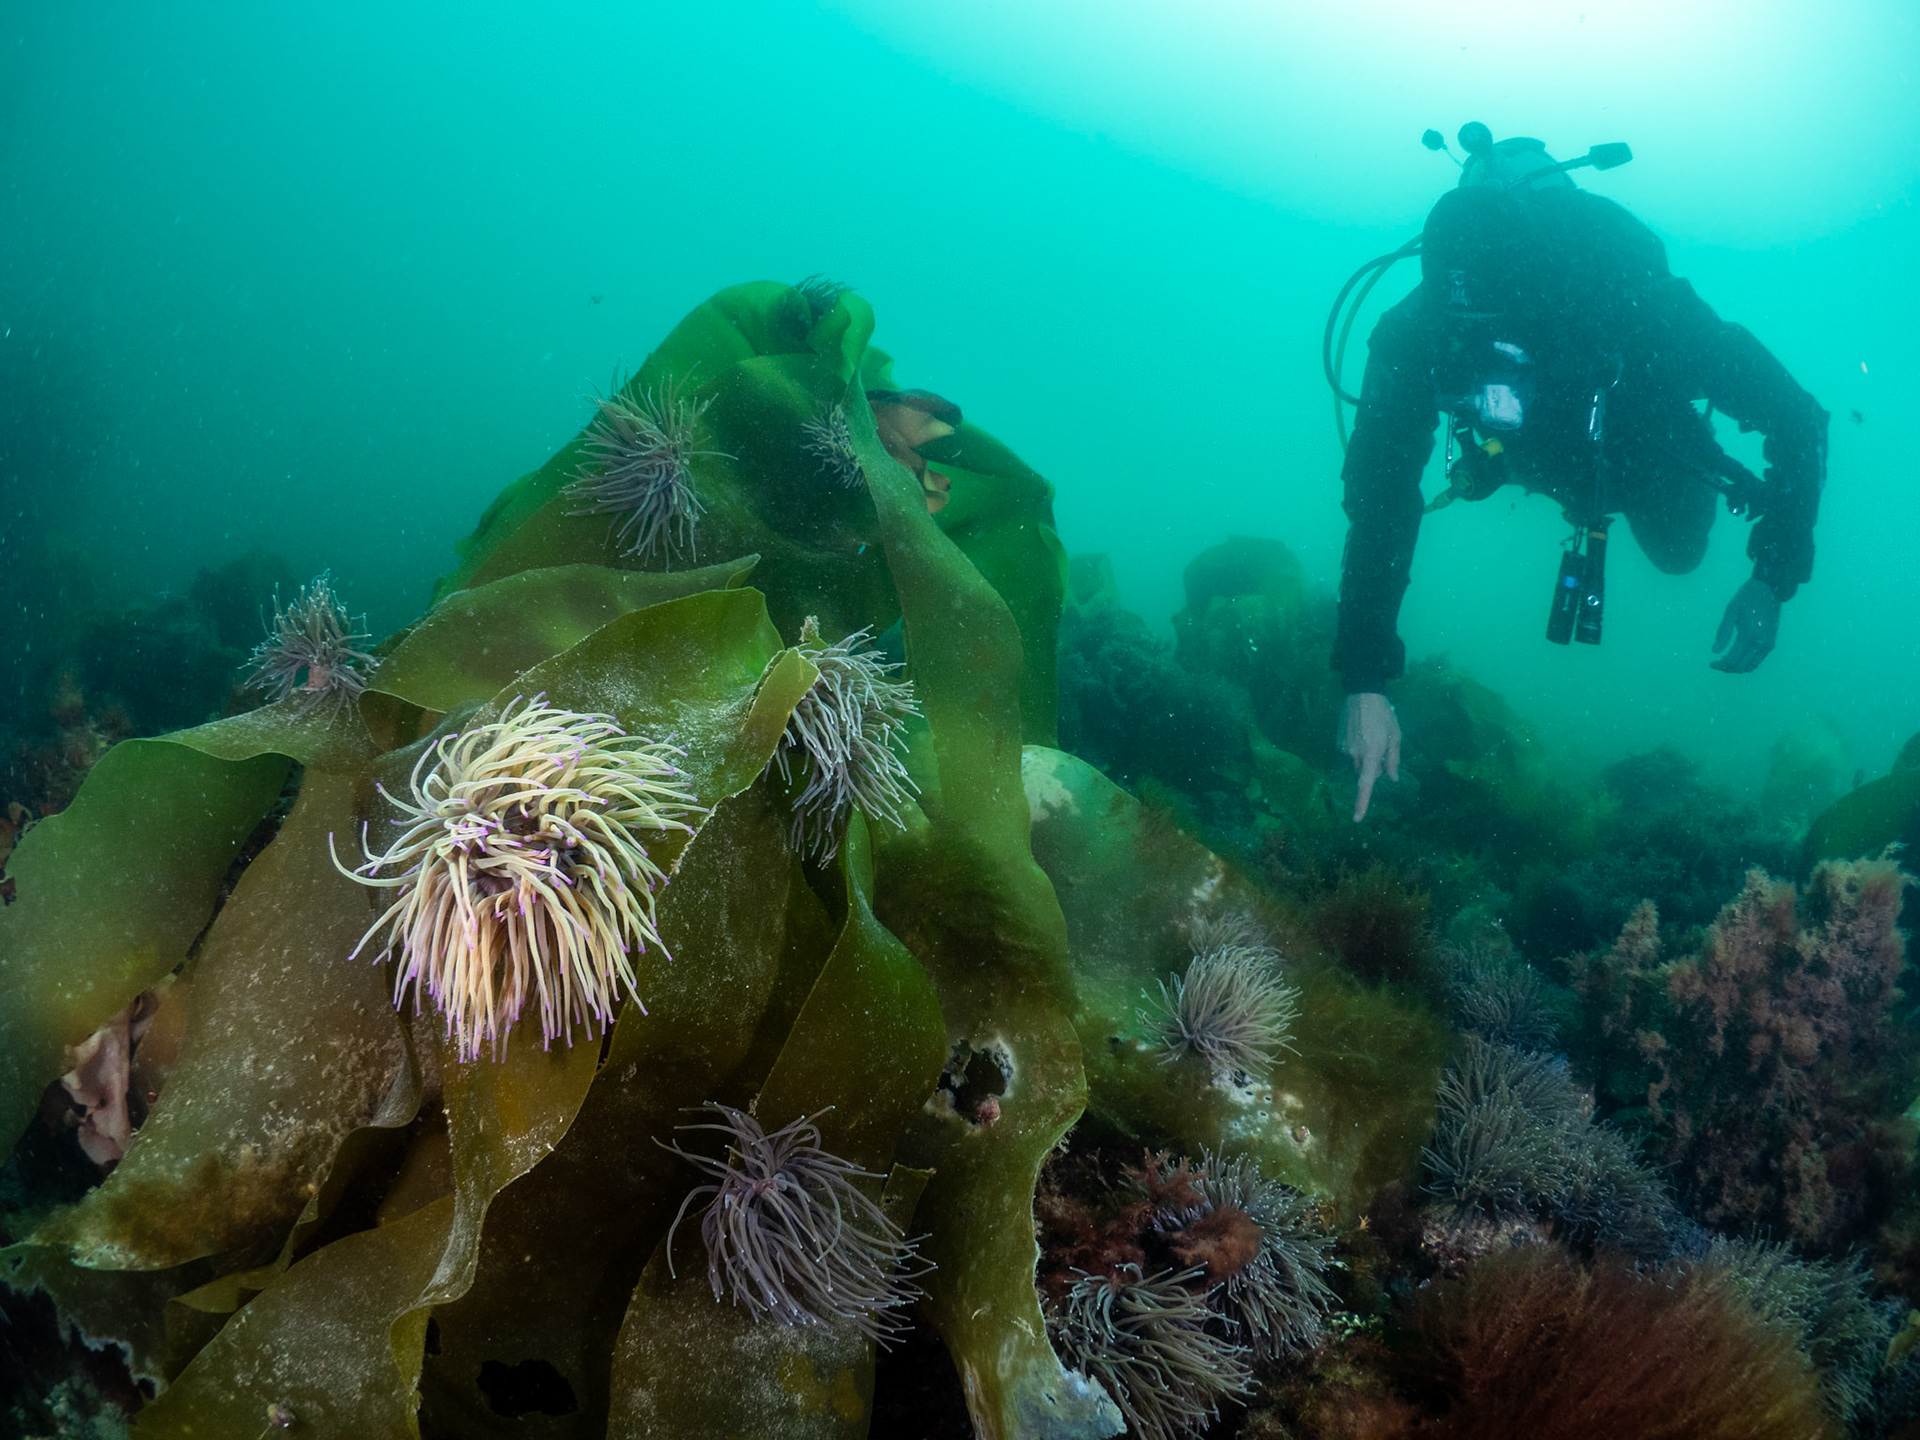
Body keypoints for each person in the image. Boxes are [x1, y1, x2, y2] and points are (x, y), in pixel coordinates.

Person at [1333, 133, 1829, 821]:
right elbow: (1382, 495)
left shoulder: (1632, 307)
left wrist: (1773, 576)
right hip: (1532, 461)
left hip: (1646, 450)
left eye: (1496, 327)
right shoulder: (1419, 330)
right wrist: (1365, 678)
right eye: (1464, 329)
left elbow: (1798, 418)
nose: (1481, 345)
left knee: (1682, 555)